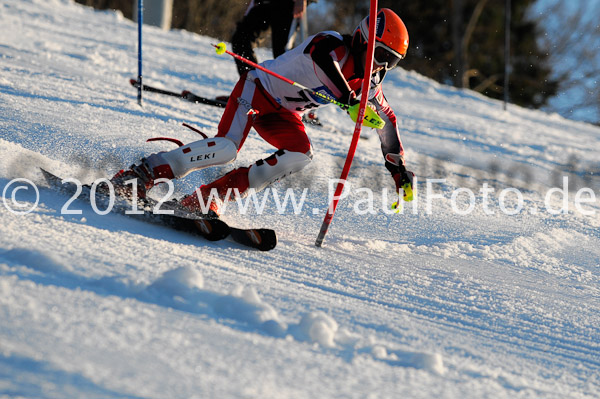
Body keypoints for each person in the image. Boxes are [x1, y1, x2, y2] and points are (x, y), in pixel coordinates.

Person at [111, 8, 415, 217]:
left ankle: (207, 199)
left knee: (301, 154)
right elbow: (322, 61)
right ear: (364, 40)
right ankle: (141, 174)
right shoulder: (332, 44)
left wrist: (398, 169)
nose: (383, 67)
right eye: (382, 56)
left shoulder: (369, 84)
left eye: (392, 62)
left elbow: (387, 122)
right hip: (257, 89)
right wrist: (348, 99)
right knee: (228, 148)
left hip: (282, 115)